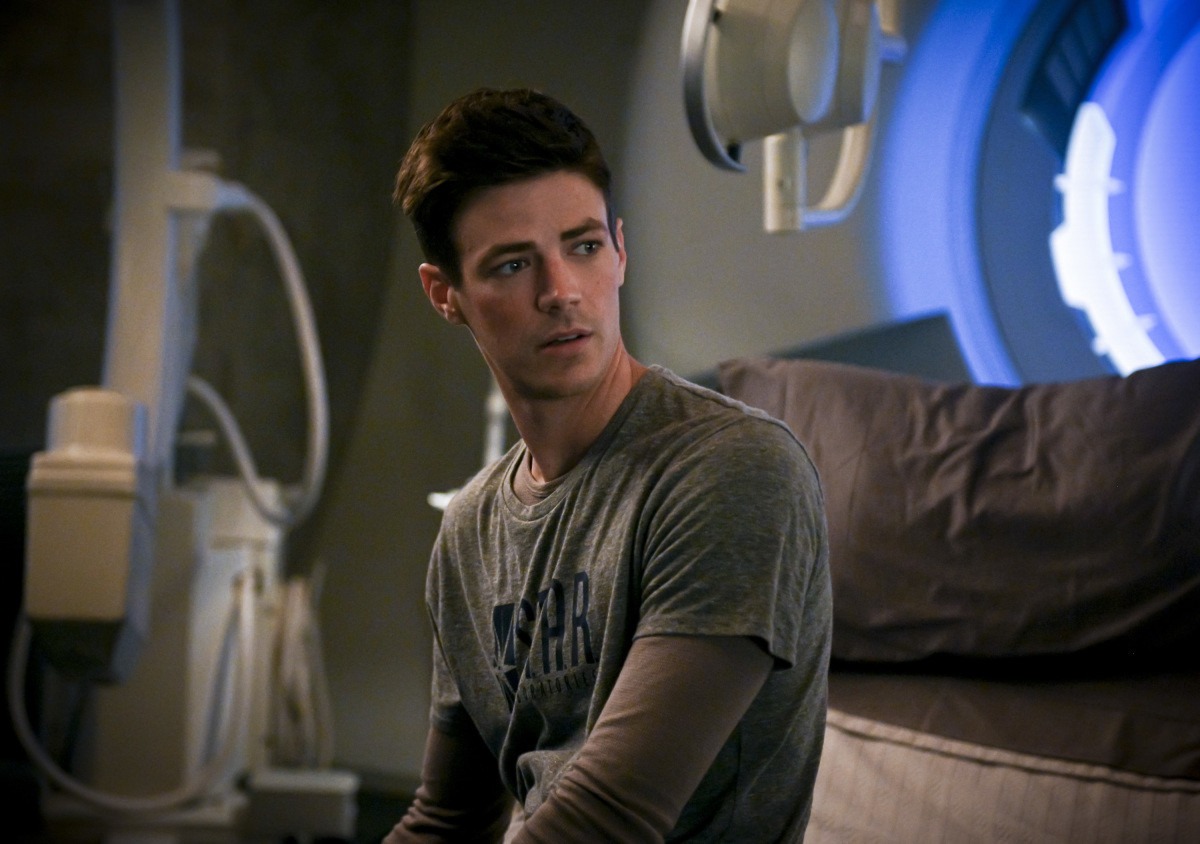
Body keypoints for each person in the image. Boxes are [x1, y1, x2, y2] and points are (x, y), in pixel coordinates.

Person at [385, 87, 832, 843]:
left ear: (620, 251)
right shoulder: (469, 531)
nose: (561, 292)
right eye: (512, 264)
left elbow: (609, 821)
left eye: (584, 247)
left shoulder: (734, 470)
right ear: (446, 295)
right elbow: (446, 820)